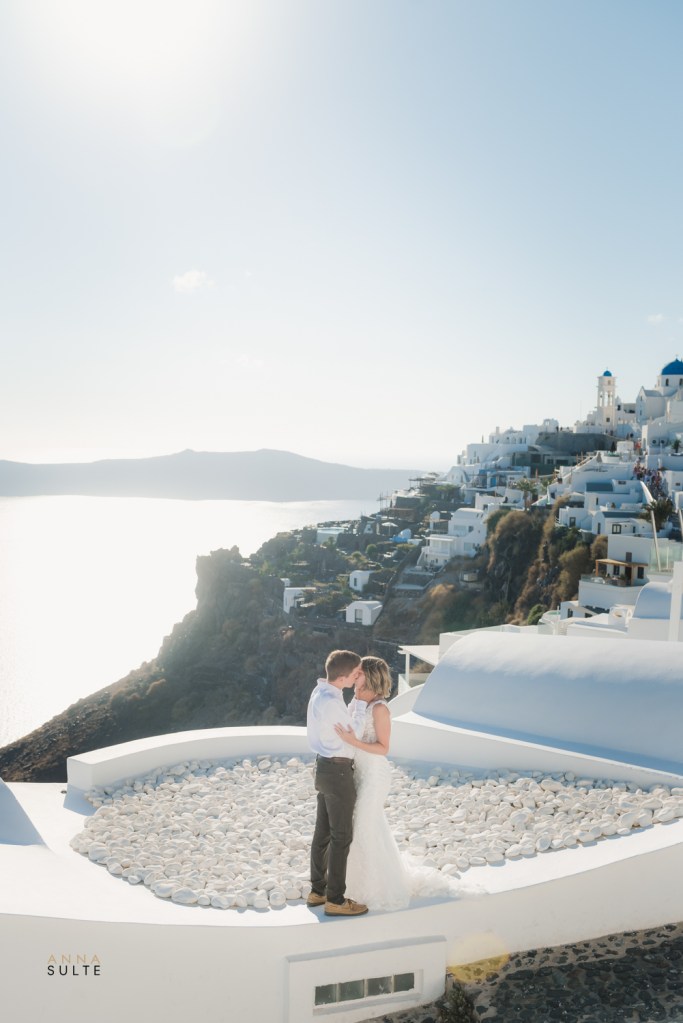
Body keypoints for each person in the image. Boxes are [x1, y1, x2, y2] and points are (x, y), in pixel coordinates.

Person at [335, 655, 459, 911]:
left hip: (374, 775)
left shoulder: (380, 708)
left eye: (360, 678)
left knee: (364, 825)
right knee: (361, 827)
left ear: (371, 679)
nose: (355, 682)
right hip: (358, 772)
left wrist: (351, 741)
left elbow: (383, 747)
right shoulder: (358, 701)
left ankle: (375, 888)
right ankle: (351, 883)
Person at [306, 649, 370, 916]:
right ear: (343, 677)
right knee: (341, 837)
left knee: (323, 833)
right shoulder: (333, 702)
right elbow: (353, 733)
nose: (358, 676)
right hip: (337, 772)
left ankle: (317, 891)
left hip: (323, 768)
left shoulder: (320, 692)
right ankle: (335, 899)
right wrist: (362, 703)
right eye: (356, 673)